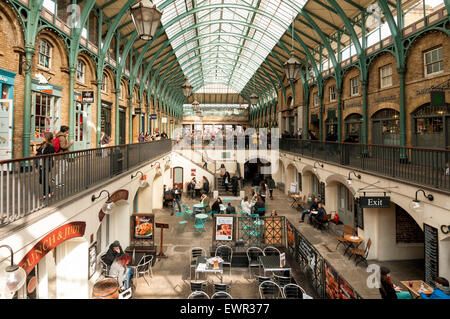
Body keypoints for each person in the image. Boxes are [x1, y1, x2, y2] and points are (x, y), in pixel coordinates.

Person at [35, 132, 56, 200]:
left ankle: (46, 195)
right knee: (42, 180)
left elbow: (47, 154)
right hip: (41, 164)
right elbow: (38, 151)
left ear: (47, 138)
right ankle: (50, 192)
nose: (42, 138)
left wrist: (38, 153)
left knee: (44, 180)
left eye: (43, 137)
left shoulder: (51, 146)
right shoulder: (43, 144)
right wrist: (37, 152)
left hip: (46, 165)